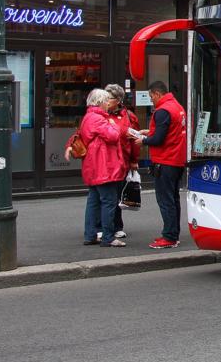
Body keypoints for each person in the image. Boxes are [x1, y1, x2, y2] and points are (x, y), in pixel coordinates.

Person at [137, 81, 188, 249]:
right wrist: (149, 132)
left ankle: (169, 237)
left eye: (151, 96)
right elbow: (169, 132)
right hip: (177, 159)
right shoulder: (177, 107)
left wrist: (143, 140)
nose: (151, 100)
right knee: (173, 198)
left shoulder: (162, 111)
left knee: (165, 200)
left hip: (165, 160)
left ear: (157, 94)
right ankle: (173, 234)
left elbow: (158, 139)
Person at [79, 88, 127, 247]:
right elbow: (113, 135)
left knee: (93, 201)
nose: (108, 103)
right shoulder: (99, 119)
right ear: (99, 102)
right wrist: (113, 124)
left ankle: (90, 235)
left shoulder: (88, 117)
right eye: (106, 100)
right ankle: (108, 237)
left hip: (93, 166)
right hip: (103, 166)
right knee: (109, 201)